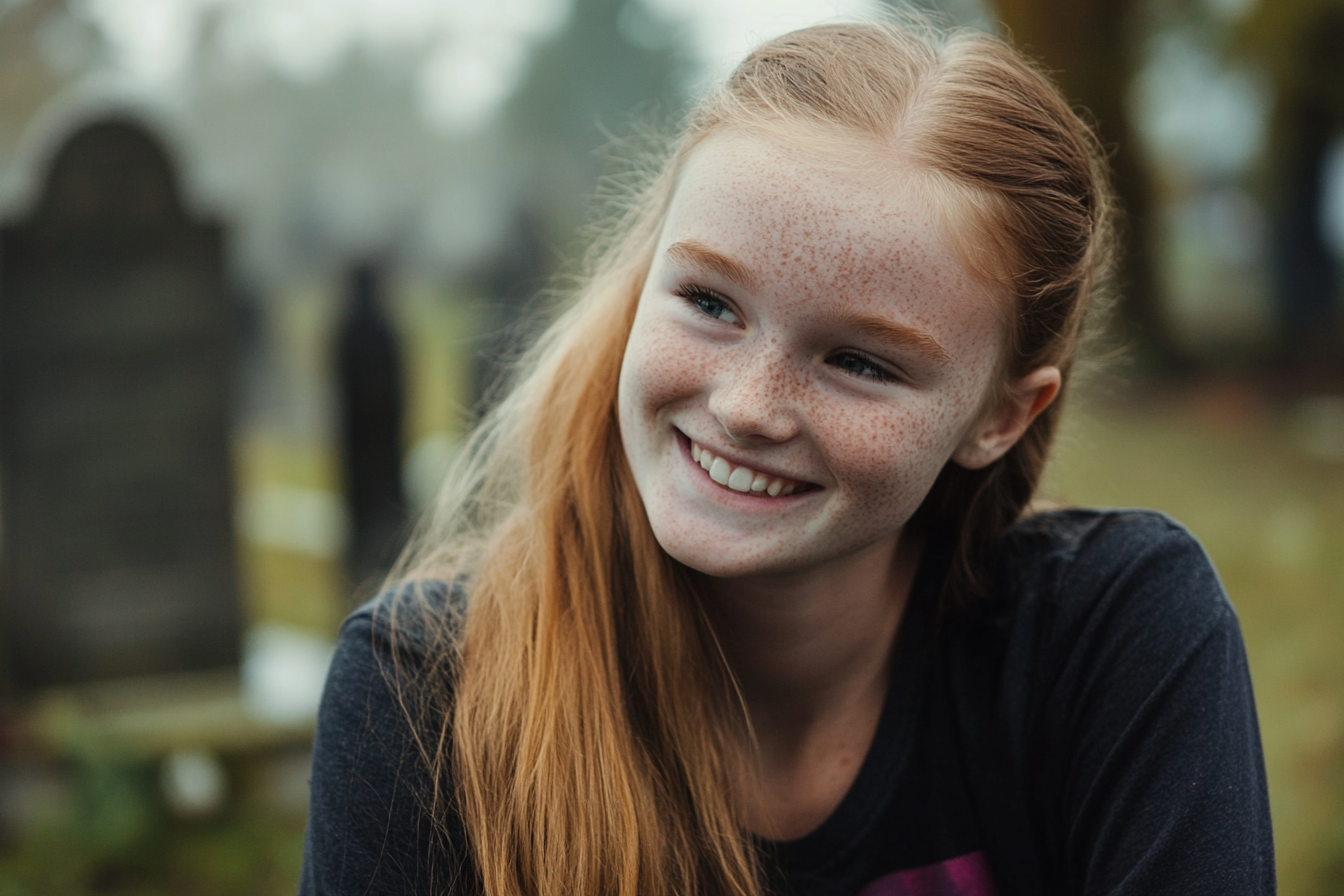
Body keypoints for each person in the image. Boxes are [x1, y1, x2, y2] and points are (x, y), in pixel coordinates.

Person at [299, 19, 1275, 896]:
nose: (747, 406)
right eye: (709, 303)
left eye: (859, 361)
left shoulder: (1111, 641)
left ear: (1002, 418)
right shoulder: (425, 696)